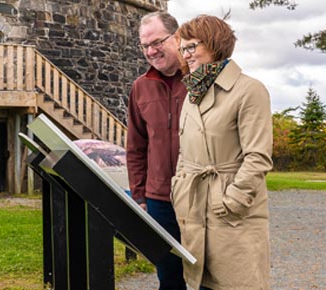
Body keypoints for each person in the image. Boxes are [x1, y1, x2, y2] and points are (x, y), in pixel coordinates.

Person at [171, 15, 273, 290]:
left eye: (192, 46)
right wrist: (178, 185)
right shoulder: (193, 92)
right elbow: (185, 151)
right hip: (195, 207)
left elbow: (258, 157)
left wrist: (233, 200)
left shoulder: (249, 90)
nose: (186, 54)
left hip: (230, 210)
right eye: (183, 48)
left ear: (215, 44)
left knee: (238, 282)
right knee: (203, 283)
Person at [126, 11, 187, 290]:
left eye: (157, 42)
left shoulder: (200, 80)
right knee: (169, 278)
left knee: (210, 276)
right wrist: (139, 195)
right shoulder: (140, 87)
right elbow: (136, 146)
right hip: (159, 200)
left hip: (200, 197)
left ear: (177, 37)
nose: (151, 51)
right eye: (144, 45)